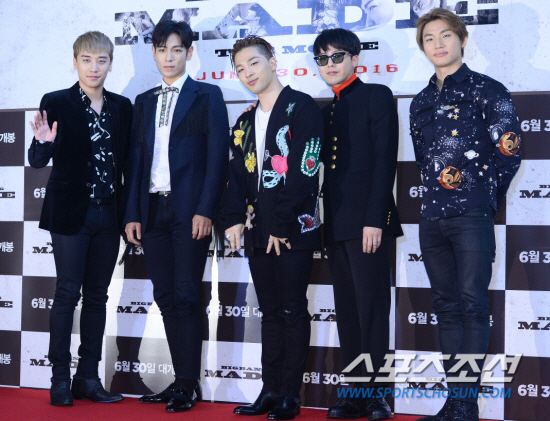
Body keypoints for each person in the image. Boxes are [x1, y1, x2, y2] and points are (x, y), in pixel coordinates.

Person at [409, 8, 521, 421]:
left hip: (471, 215)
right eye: (429, 38)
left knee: (472, 304)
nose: (437, 44)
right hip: (431, 217)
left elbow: (509, 152)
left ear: (462, 39)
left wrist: (482, 199)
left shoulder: (488, 90)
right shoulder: (420, 101)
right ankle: (455, 402)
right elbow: (423, 160)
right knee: (446, 305)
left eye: (445, 36)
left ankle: (465, 403)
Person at [123, 20, 229, 413]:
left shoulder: (207, 95)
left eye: (177, 49)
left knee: (186, 295)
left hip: (189, 211)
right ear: (153, 53)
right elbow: (135, 161)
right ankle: (181, 379)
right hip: (152, 211)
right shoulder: (144, 101)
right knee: (166, 296)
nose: (169, 57)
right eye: (163, 50)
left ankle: (188, 382)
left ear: (189, 53)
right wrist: (132, 212)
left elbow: (217, 157)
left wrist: (205, 209)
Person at [28, 31, 132, 406]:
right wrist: (43, 142)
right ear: (75, 62)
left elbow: (128, 164)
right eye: (86, 60)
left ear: (110, 64)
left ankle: (87, 377)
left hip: (109, 214)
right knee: (67, 293)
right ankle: (59, 379)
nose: (93, 67)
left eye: (101, 60)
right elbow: (36, 161)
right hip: (72, 212)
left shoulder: (122, 107)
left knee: (97, 297)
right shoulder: (56, 101)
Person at [223, 35, 323, 420]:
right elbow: (235, 177)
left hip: (293, 228)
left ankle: (290, 395)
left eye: (254, 63)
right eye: (240, 68)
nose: (248, 72)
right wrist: (233, 219)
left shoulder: (302, 107)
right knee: (269, 312)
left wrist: (280, 224)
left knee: (293, 309)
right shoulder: (244, 122)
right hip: (258, 230)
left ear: (273, 61)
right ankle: (269, 390)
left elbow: (304, 172)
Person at [313, 28, 402, 420]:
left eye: (337, 57)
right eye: (322, 59)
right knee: (348, 313)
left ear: (354, 58)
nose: (329, 65)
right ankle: (354, 393)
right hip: (334, 225)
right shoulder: (323, 111)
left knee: (372, 311)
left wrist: (375, 220)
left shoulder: (376, 95)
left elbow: (385, 162)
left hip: (369, 224)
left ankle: (377, 396)